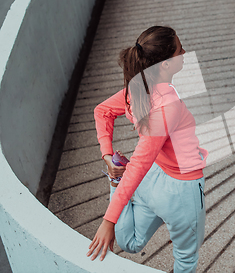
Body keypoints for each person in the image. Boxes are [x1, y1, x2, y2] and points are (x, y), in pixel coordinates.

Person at [86, 26, 208, 273]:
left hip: (152, 180)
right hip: (180, 192)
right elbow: (139, 165)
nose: (184, 52)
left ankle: (115, 178)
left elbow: (102, 111)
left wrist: (109, 156)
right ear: (164, 65)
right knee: (186, 259)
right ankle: (118, 179)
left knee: (129, 243)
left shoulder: (137, 89)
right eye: (179, 50)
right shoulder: (167, 108)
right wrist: (108, 221)